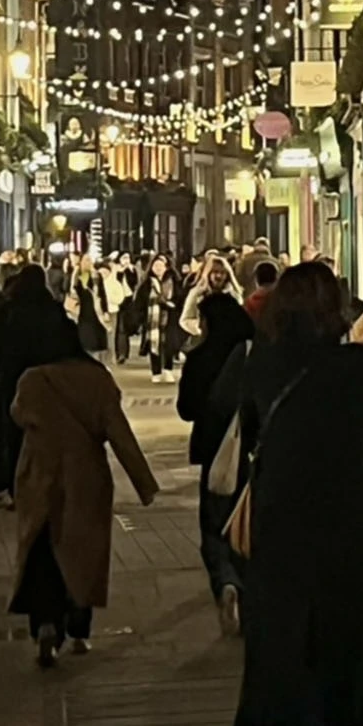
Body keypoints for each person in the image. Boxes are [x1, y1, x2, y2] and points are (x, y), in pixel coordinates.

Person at [231, 262, 363, 726]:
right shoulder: (361, 370)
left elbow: (248, 429)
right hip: (347, 520)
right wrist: (354, 480)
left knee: (285, 640)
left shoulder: (264, 362)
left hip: (282, 518)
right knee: (339, 638)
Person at [10, 327, 160, 666]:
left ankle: (46, 624)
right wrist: (144, 483)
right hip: (85, 476)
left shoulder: (32, 379)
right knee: (82, 553)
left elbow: (18, 415)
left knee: (43, 550)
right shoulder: (97, 379)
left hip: (40, 472)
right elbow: (118, 432)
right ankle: (78, 629)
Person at [177, 291, 255, 635]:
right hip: (254, 452)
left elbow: (186, 410)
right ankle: (247, 588)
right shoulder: (257, 353)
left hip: (217, 455)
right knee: (248, 523)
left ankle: (225, 581)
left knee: (214, 524)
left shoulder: (200, 357)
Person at [0, 265, 75, 504]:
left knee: (9, 433)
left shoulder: (5, 309)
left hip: (10, 381)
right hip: (46, 381)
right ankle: (41, 485)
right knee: (42, 434)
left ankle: (12, 486)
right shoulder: (50, 310)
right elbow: (66, 343)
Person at [179, 252, 244, 339]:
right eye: (215, 272)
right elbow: (185, 319)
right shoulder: (197, 293)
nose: (219, 276)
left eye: (222, 273)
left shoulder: (233, 294)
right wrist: (200, 330)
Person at [135, 254, 179, 382]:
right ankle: (156, 372)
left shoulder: (173, 281)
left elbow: (180, 296)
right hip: (152, 319)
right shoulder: (147, 283)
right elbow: (140, 302)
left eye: (161, 266)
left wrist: (174, 305)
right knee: (154, 345)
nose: (158, 268)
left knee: (169, 344)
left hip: (170, 317)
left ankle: (168, 370)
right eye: (156, 266)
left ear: (166, 267)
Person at [67, 254, 111, 359]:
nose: (88, 262)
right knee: (84, 340)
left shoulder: (96, 276)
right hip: (80, 312)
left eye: (90, 260)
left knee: (95, 342)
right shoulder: (75, 276)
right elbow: (70, 291)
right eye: (86, 260)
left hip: (96, 311)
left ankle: (95, 362)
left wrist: (105, 310)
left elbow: (102, 293)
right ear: (80, 262)